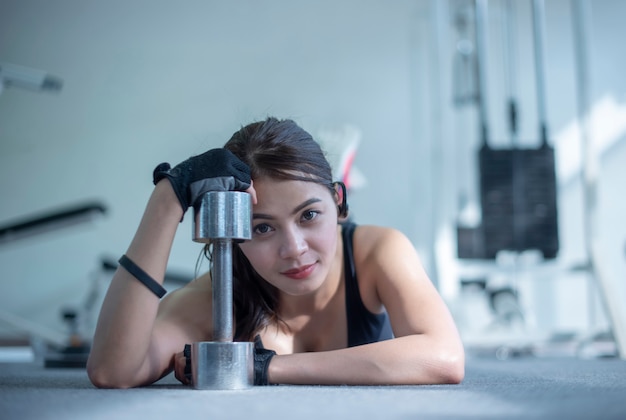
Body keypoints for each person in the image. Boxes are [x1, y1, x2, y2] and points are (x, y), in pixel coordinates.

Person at [86, 117, 465, 388]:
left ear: (340, 202)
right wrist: (168, 199)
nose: (294, 249)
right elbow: (113, 371)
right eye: (262, 227)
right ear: (234, 233)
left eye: (309, 215)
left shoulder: (376, 251)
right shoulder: (216, 298)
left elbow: (445, 358)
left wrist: (263, 368)